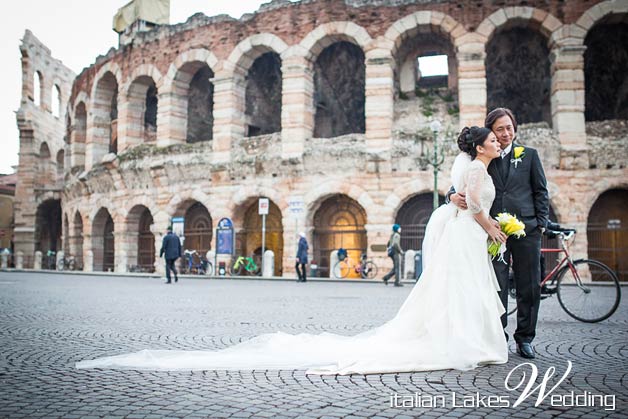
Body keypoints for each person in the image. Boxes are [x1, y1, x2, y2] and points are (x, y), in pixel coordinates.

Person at [76, 126, 508, 375]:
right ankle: (467, 339)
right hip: (470, 234)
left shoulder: (476, 165)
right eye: (492, 137)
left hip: (469, 236)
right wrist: (495, 229)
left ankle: (468, 337)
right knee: (459, 289)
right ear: (478, 145)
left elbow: (465, 202)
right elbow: (469, 204)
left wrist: (487, 225)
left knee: (461, 290)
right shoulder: (472, 168)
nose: (497, 141)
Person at [447, 108, 549, 359]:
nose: (505, 133)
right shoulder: (484, 154)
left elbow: (540, 190)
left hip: (526, 230)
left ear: (515, 127)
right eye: (499, 129)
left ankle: (525, 338)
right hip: (491, 231)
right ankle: (498, 336)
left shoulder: (530, 155)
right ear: (491, 132)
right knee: (496, 285)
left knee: (529, 286)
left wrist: (541, 224)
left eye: (509, 127)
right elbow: (459, 183)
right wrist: (451, 195)